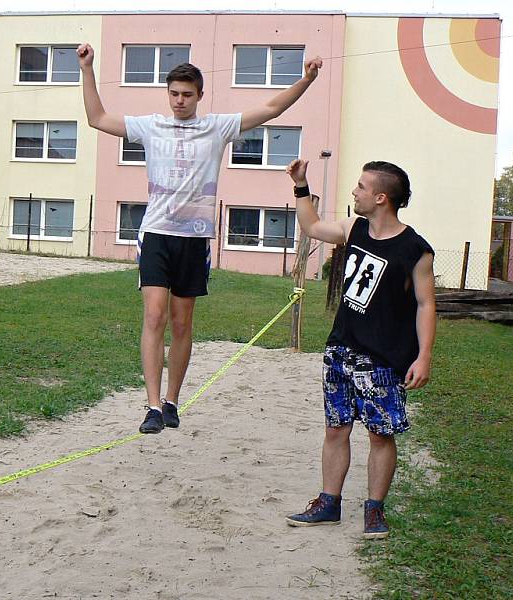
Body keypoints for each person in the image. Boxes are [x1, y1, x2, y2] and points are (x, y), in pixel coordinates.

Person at [76, 43, 323, 434]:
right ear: (168, 94)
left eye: (187, 95)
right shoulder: (150, 125)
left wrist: (306, 79)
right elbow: (97, 117)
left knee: (182, 322)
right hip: (157, 233)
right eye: (174, 93)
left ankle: (173, 400)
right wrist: (87, 68)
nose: (179, 101)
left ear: (199, 96)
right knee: (154, 315)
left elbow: (272, 109)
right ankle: (153, 406)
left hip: (195, 239)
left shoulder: (216, 127)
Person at [284, 159, 436, 539]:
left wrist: (424, 355)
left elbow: (425, 305)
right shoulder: (354, 229)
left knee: (380, 435)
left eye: (361, 187)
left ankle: (374, 510)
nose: (355, 192)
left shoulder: (415, 250)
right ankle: (328, 503)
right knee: (335, 429)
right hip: (341, 351)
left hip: (384, 359)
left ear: (381, 197)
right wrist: (301, 186)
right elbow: (312, 226)